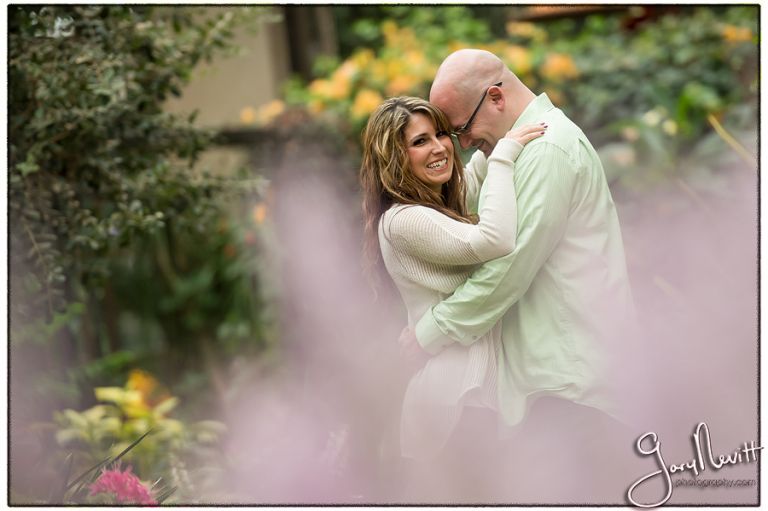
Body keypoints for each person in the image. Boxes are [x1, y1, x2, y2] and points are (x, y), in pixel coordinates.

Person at [403, 49, 638, 498]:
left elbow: (508, 267)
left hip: (571, 384)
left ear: (495, 97)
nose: (463, 142)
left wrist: (429, 333)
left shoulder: (546, 149)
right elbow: (460, 202)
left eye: (461, 128)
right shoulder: (511, 148)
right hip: (550, 385)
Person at [360, 96, 546, 467]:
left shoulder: (434, 208)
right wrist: (504, 155)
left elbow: (473, 176)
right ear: (393, 159)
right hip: (457, 399)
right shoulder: (406, 220)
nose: (440, 147)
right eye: (419, 141)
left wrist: (492, 137)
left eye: (441, 134)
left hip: (471, 394)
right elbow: (495, 239)